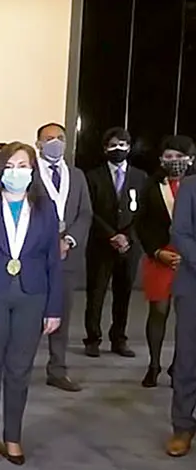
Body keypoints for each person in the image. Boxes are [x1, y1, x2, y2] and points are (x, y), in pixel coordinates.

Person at [0, 142, 63, 465]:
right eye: (10, 166)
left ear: (33, 170)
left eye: (23, 166)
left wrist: (54, 308)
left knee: (20, 368)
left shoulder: (46, 209)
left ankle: (13, 435)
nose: (16, 172)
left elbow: (53, 261)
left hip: (33, 295)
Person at [35, 123, 93, 392]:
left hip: (67, 257)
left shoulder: (77, 175)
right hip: (35, 257)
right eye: (49, 138)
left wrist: (68, 240)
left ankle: (57, 369)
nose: (55, 142)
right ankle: (18, 367)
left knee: (61, 313)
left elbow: (85, 213)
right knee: (30, 314)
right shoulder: (29, 172)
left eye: (60, 138)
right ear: (38, 144)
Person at [135, 136, 195, 387]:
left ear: (190, 159)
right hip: (160, 256)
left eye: (179, 156)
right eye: (169, 156)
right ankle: (154, 365)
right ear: (161, 159)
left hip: (189, 259)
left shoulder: (193, 186)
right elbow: (141, 223)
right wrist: (156, 251)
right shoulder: (151, 185)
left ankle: (179, 366)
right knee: (158, 312)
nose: (174, 161)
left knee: (187, 317)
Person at [83, 127, 147, 358]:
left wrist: (126, 236)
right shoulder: (93, 176)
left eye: (123, 144)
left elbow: (143, 211)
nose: (118, 149)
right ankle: (93, 338)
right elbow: (89, 210)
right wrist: (111, 235)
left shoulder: (140, 177)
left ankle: (119, 338)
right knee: (96, 293)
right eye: (113, 145)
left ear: (129, 147)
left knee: (124, 294)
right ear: (104, 149)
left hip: (129, 245)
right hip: (101, 243)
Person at [167, 171, 196, 457]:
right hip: (193, 286)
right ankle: (183, 426)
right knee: (188, 359)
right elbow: (180, 233)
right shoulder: (190, 187)